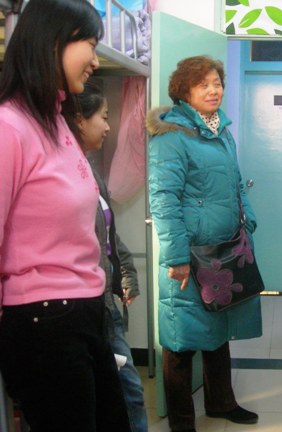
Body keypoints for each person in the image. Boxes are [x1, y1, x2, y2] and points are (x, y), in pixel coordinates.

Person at [0, 0, 131, 431]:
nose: (95, 60)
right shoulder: (9, 127)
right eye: (89, 44)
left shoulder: (56, 122)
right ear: (53, 42)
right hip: (42, 319)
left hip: (84, 309)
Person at [147, 55, 262, 432]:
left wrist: (247, 220)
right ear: (184, 91)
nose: (214, 90)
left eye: (217, 83)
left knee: (218, 328)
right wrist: (177, 257)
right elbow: (163, 199)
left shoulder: (221, 131)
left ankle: (221, 403)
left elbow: (236, 182)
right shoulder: (171, 135)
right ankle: (182, 422)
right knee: (180, 340)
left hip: (225, 251)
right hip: (190, 256)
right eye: (203, 85)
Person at [75, 81, 149, 432]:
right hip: (84, 304)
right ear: (78, 120)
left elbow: (108, 234)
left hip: (104, 298)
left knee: (126, 388)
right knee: (126, 388)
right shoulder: (65, 176)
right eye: (103, 117)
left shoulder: (89, 171)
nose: (108, 126)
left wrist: (126, 274)